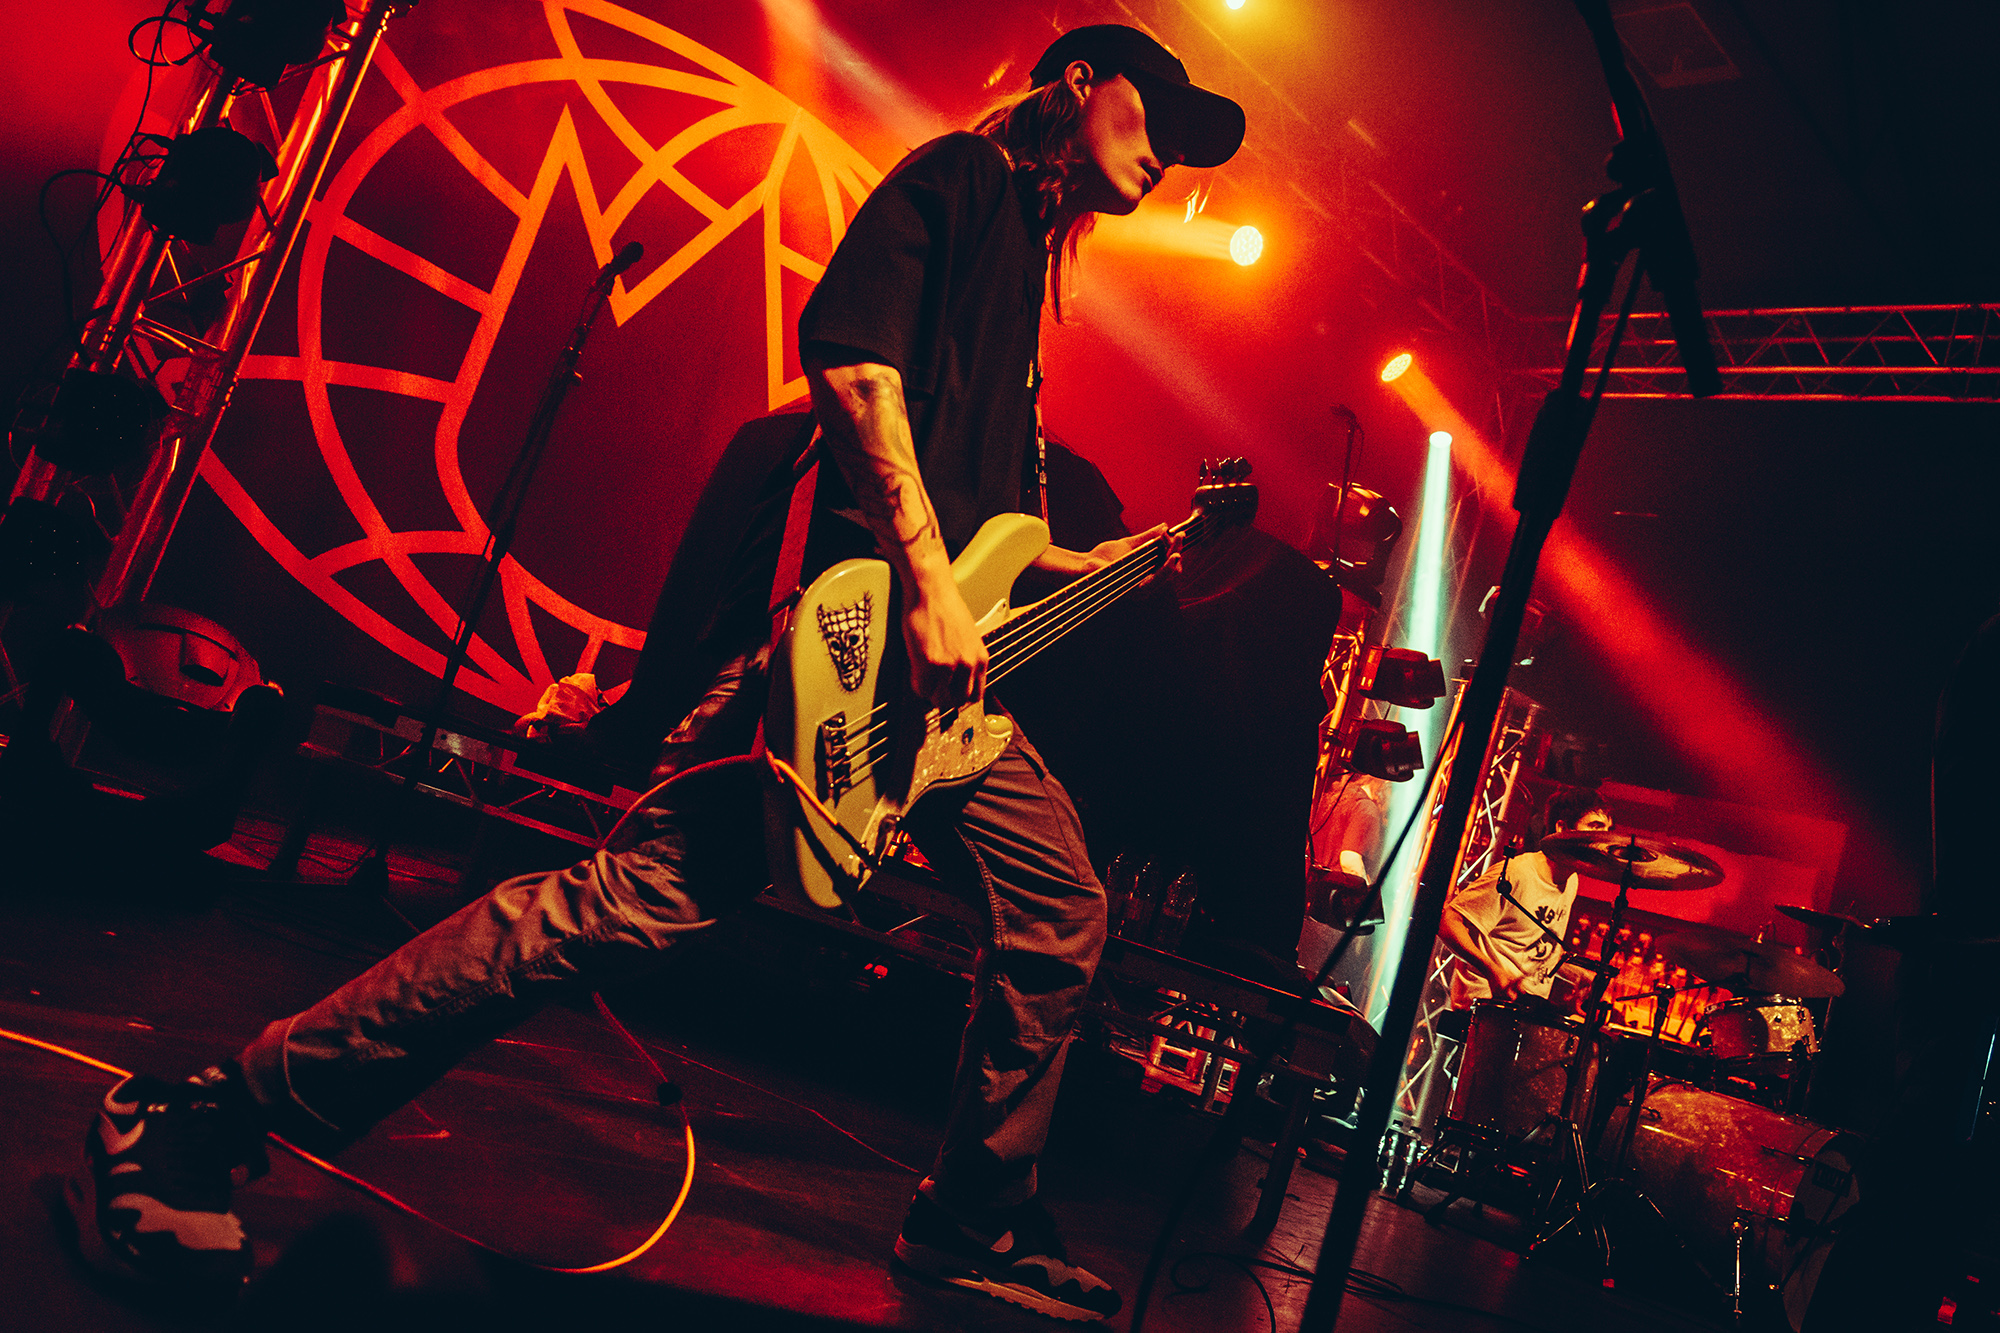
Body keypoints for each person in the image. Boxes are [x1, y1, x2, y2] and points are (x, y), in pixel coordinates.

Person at [66, 24, 1244, 1324]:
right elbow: (853, 362)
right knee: (617, 905)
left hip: (941, 701)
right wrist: (920, 582)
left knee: (1060, 906)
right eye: (1156, 117)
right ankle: (200, 1118)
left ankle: (970, 1217)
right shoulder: (959, 180)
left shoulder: (1025, 267)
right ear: (1078, 82)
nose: (1165, 157)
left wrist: (1111, 562)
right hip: (846, 657)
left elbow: (992, 535)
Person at [1437, 788, 1614, 1009]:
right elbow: (1447, 922)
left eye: (1607, 830)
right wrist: (1493, 971)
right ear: (1562, 828)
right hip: (1484, 1007)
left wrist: (1578, 975)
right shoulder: (1517, 873)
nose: (1603, 838)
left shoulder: (1571, 881)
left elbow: (1536, 948)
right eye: (1595, 827)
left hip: (1526, 1007)